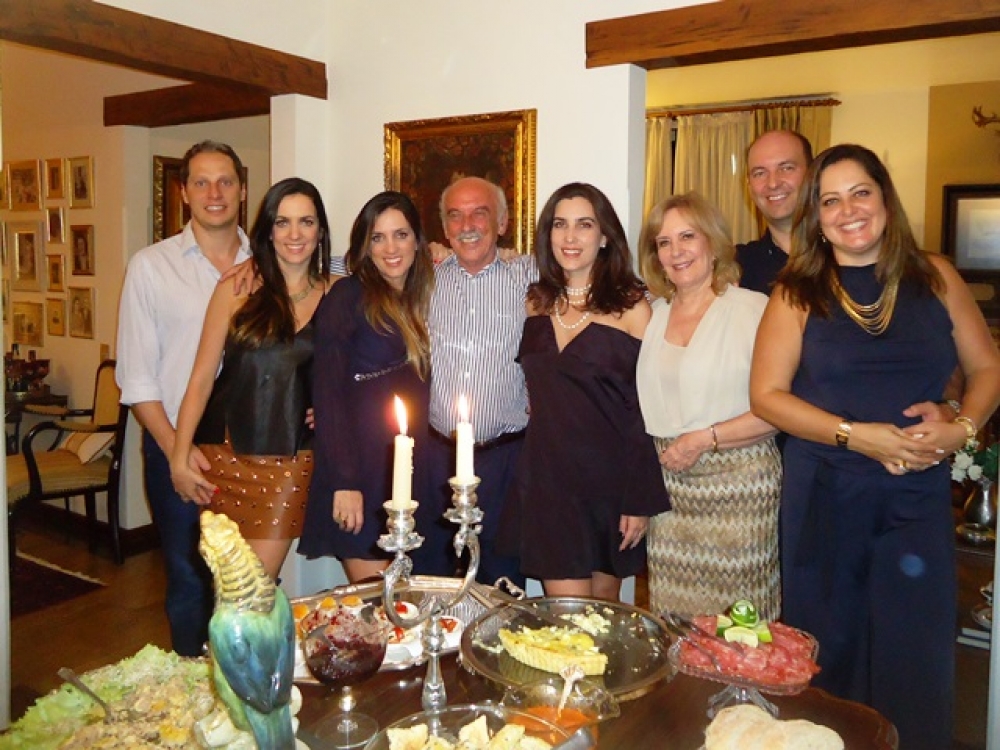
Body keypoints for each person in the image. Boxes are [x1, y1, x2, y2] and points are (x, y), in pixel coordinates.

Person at [749, 143, 1000, 750]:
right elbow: (767, 396)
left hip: (914, 499)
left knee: (916, 658)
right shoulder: (796, 290)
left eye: (860, 193)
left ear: (885, 197)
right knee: (829, 658)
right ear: (816, 216)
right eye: (831, 201)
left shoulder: (935, 276)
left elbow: (988, 368)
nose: (848, 211)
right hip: (825, 499)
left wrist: (961, 426)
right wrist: (855, 434)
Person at [497, 183, 669, 601]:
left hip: (611, 483)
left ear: (604, 236)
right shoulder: (535, 302)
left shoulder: (633, 308)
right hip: (549, 481)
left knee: (602, 619)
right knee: (567, 618)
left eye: (584, 225)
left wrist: (639, 499)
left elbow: (644, 410)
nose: (570, 237)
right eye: (560, 225)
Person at [117, 140, 251, 657]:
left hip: (254, 453)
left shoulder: (269, 261)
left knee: (249, 584)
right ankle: (194, 690)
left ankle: (245, 692)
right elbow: (137, 379)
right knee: (191, 582)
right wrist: (178, 450)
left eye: (225, 181)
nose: (214, 193)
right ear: (184, 192)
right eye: (201, 182)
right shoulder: (152, 267)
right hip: (177, 446)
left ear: (242, 190)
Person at [169, 177, 330, 580]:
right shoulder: (236, 287)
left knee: (253, 588)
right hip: (223, 454)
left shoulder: (339, 292)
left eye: (306, 222)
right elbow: (201, 378)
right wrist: (179, 455)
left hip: (289, 461)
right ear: (268, 231)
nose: (295, 234)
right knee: (225, 588)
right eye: (282, 222)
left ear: (320, 231)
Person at [637, 191, 781, 619]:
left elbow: (781, 408)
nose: (676, 251)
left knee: (740, 625)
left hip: (740, 492)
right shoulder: (652, 314)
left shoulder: (755, 310)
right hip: (670, 495)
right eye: (664, 242)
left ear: (713, 243)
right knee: (675, 623)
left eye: (688, 236)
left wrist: (705, 439)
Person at [298, 191, 435, 583]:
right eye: (378, 237)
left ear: (417, 241)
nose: (391, 248)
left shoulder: (425, 294)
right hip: (360, 468)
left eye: (401, 235)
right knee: (377, 600)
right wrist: (345, 483)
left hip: (413, 468)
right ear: (365, 245)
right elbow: (328, 393)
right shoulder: (348, 296)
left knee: (410, 602)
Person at [417, 176, 537, 587]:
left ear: (502, 223)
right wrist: (257, 263)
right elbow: (351, 262)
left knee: (501, 585)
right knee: (431, 583)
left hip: (505, 461)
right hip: (437, 458)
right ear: (444, 227)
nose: (467, 225)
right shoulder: (424, 275)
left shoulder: (530, 275)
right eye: (455, 215)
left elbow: (607, 282)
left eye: (479, 213)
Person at [736, 130, 812, 294]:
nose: (773, 183)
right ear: (749, 186)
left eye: (786, 168)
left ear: (812, 174)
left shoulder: (846, 251)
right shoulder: (738, 268)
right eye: (760, 173)